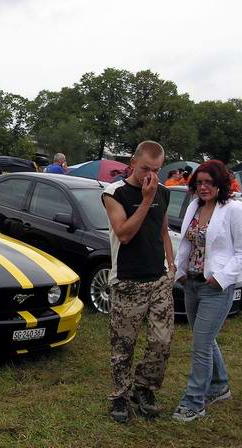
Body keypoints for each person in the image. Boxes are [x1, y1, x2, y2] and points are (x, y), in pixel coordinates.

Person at [102, 140, 175, 423]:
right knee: (124, 344)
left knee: (162, 340)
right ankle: (120, 395)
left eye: (156, 170)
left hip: (158, 278)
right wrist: (146, 200)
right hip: (128, 280)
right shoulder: (114, 193)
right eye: (146, 168)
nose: (151, 176)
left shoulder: (164, 192)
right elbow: (124, 234)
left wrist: (171, 264)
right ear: (133, 163)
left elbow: (164, 231)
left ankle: (144, 389)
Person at [171, 160, 242, 422]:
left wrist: (220, 277)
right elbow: (187, 244)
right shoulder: (194, 206)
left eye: (209, 183)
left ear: (220, 184)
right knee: (205, 338)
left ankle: (194, 402)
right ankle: (220, 386)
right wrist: (177, 271)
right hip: (191, 283)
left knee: (200, 344)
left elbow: (240, 253)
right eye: (199, 182)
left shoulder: (233, 210)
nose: (203, 187)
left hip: (216, 288)